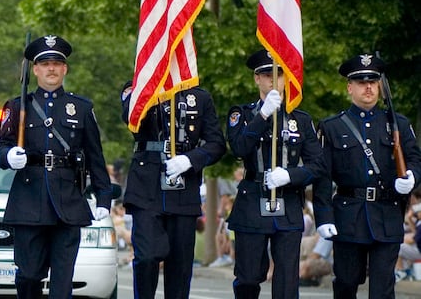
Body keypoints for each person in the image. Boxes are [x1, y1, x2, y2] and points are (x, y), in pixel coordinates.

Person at [0, 35, 113, 299]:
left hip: (67, 202)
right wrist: (9, 155)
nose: (51, 69)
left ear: (65, 69)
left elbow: (95, 155)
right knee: (28, 276)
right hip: (28, 200)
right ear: (35, 69)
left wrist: (104, 197)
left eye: (57, 63)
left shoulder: (81, 108)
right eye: (45, 63)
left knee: (62, 281)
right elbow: (2, 146)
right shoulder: (17, 106)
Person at [313, 53, 421, 298]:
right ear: (350, 87)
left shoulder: (398, 124)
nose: (369, 87)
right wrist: (323, 217)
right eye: (362, 82)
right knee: (346, 283)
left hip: (387, 214)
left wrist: (412, 177)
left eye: (373, 81)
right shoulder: (332, 127)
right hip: (348, 215)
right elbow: (321, 176)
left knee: (383, 290)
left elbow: (415, 159)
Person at [226, 49, 325, 299]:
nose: (273, 80)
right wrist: (262, 115)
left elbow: (318, 166)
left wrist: (291, 175)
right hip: (252, 201)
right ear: (256, 79)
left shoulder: (300, 120)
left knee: (286, 281)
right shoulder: (243, 114)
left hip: (288, 202)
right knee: (248, 277)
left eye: (278, 75)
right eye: (266, 75)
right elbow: (239, 148)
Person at [120, 79, 226, 299]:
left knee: (180, 266)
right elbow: (132, 120)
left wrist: (191, 159)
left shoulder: (200, 97)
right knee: (147, 257)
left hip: (183, 188)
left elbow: (216, 144)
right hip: (146, 187)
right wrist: (149, 86)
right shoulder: (139, 87)